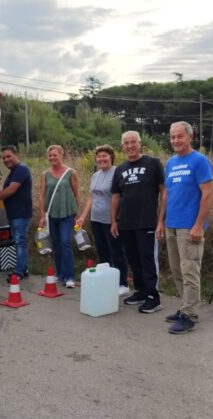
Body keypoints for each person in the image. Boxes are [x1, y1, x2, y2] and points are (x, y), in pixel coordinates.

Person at [157, 121, 213, 334]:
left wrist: (199, 225)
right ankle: (184, 308)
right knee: (177, 270)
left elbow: (208, 194)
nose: (175, 141)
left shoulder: (199, 161)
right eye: (172, 137)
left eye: (179, 136)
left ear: (190, 137)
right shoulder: (171, 163)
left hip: (189, 227)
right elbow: (167, 195)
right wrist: (160, 221)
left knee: (190, 271)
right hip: (171, 224)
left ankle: (189, 315)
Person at [111, 131, 166, 314]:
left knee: (148, 260)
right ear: (123, 146)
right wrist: (114, 221)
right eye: (126, 143)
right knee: (133, 260)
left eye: (133, 142)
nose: (129, 146)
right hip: (126, 223)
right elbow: (116, 196)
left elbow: (164, 192)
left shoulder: (153, 163)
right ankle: (141, 291)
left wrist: (161, 220)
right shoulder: (120, 169)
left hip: (147, 222)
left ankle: (153, 297)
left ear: (140, 143)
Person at [76, 144, 129, 296]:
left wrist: (115, 220)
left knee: (116, 252)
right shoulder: (95, 175)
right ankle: (108, 280)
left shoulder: (117, 172)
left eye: (104, 155)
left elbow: (119, 197)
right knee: (103, 252)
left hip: (111, 221)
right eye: (99, 156)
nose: (101, 159)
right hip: (96, 219)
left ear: (111, 157)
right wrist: (82, 216)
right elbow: (91, 198)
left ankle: (123, 283)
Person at [0, 145, 32, 284]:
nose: (6, 160)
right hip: (15, 214)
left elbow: (11, 190)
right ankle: (24, 268)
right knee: (20, 242)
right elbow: (6, 191)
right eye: (3, 158)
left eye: (9, 156)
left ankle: (18, 272)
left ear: (16, 155)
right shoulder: (13, 172)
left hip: (20, 214)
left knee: (19, 242)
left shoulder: (21, 169)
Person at [38, 145, 81, 288]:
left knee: (65, 243)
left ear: (61, 155)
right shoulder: (45, 174)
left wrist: (78, 214)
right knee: (56, 245)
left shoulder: (70, 172)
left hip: (67, 213)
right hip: (51, 214)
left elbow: (77, 194)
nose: (52, 158)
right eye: (50, 155)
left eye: (55, 155)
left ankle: (69, 277)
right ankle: (59, 273)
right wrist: (42, 216)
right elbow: (41, 195)